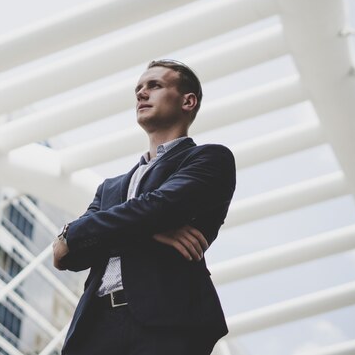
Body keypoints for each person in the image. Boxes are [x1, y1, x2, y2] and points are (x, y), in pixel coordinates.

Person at [52, 59, 236, 355]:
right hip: (94, 327)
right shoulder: (110, 187)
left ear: (188, 101)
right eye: (138, 88)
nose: (141, 93)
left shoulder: (210, 159)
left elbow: (160, 207)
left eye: (155, 85)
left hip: (166, 324)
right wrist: (149, 232)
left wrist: (96, 231)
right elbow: (65, 254)